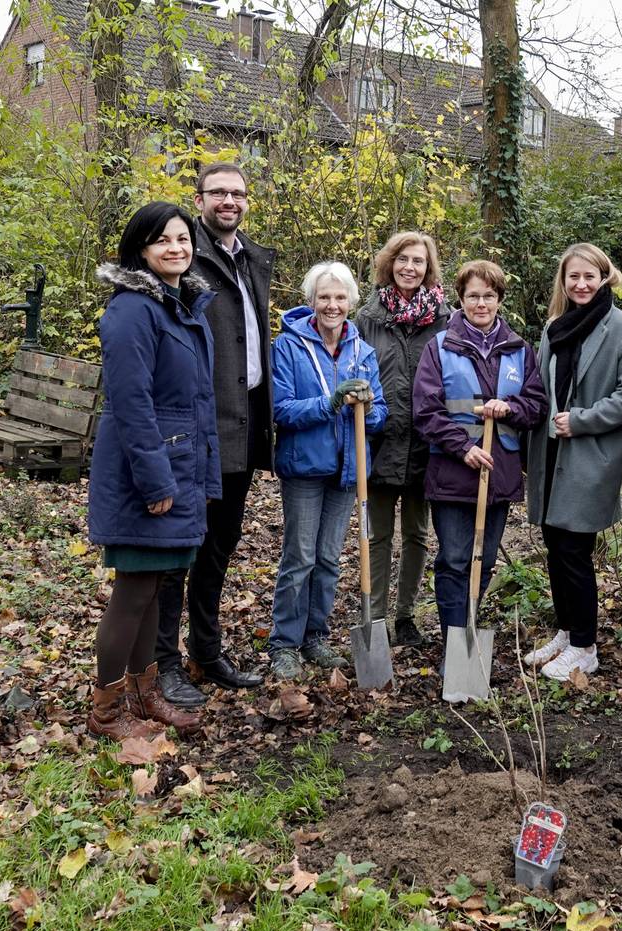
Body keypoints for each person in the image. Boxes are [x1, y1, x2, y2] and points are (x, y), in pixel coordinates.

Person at [87, 202, 220, 739]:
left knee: (151, 589)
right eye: (162, 239)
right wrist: (156, 480)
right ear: (140, 249)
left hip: (178, 466)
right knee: (134, 591)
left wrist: (202, 478)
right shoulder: (132, 311)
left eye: (183, 238)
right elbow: (132, 404)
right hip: (144, 474)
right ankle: (106, 711)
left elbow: (196, 403)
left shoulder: (179, 307)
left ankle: (144, 695)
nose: (176, 248)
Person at [156, 162, 274, 706]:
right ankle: (163, 662)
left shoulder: (251, 259)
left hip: (244, 422)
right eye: (219, 192)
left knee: (219, 547)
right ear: (199, 198)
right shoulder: (186, 257)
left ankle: (206, 648)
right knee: (179, 549)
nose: (229, 201)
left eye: (238, 193)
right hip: (197, 427)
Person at [524, 243, 622, 680]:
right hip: (549, 452)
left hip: (587, 453)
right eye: (573, 276)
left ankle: (585, 647)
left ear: (604, 277)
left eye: (589, 276)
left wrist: (582, 420)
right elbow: (540, 386)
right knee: (554, 547)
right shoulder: (554, 327)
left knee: (574, 550)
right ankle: (566, 631)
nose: (581, 284)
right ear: (563, 280)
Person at [412, 260, 546, 656]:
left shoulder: (519, 349)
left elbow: (536, 404)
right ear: (461, 299)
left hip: (499, 473)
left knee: (483, 562)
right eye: (473, 296)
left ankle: (469, 632)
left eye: (489, 296)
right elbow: (426, 410)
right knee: (455, 560)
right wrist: (463, 447)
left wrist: (511, 408)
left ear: (499, 299)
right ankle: (455, 647)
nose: (481, 304)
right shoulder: (439, 347)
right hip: (453, 472)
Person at [267, 262, 387, 680]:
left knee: (329, 559)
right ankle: (284, 643)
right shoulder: (289, 346)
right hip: (304, 467)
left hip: (347, 470)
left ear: (351, 302)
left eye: (339, 297)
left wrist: (368, 407)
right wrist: (330, 403)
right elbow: (281, 409)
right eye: (324, 297)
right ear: (311, 301)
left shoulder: (362, 351)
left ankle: (315, 636)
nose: (332, 305)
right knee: (300, 557)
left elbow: (380, 415)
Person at [355, 232, 451, 646]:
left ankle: (406, 616)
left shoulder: (445, 319)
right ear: (389, 263)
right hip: (379, 444)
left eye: (418, 261)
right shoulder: (368, 317)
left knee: (416, 534)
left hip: (427, 446)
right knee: (377, 535)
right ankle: (374, 619)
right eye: (402, 259)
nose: (410, 268)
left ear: (429, 268)